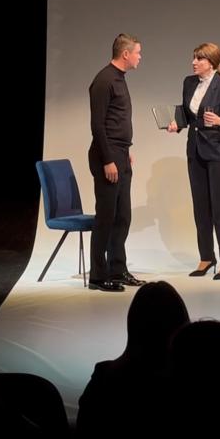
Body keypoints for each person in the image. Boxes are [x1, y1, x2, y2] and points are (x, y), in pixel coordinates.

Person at [168, 42, 220, 279]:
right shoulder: (189, 82)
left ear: (211, 63)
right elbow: (187, 113)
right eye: (194, 58)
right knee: (201, 207)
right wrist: (177, 124)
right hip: (195, 151)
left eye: (199, 59)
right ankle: (206, 257)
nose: (194, 62)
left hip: (218, 152)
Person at [88, 33, 145, 291]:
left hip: (121, 154)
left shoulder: (120, 78)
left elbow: (117, 120)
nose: (140, 57)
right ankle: (98, 277)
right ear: (125, 54)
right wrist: (108, 159)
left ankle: (117, 270)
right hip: (107, 156)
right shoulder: (104, 80)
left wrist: (125, 150)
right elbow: (98, 125)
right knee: (106, 217)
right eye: (138, 53)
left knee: (122, 216)